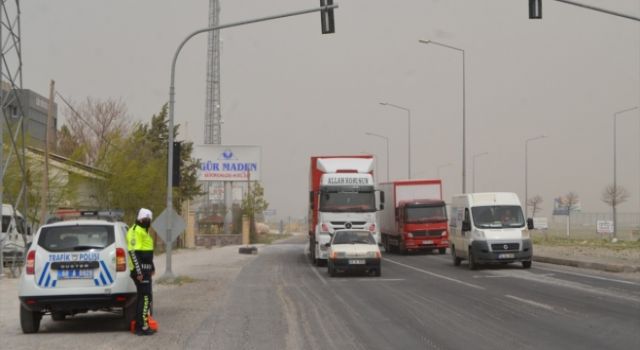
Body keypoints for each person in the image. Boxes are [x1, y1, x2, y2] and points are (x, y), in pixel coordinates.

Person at [127, 208, 155, 336]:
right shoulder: (135, 231)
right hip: (140, 271)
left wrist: (152, 266)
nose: (148, 222)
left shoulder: (143, 230)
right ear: (140, 219)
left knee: (144, 297)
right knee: (145, 298)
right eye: (146, 219)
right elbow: (133, 253)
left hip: (145, 269)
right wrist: (139, 272)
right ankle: (142, 326)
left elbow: (146, 251)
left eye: (149, 220)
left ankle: (140, 324)